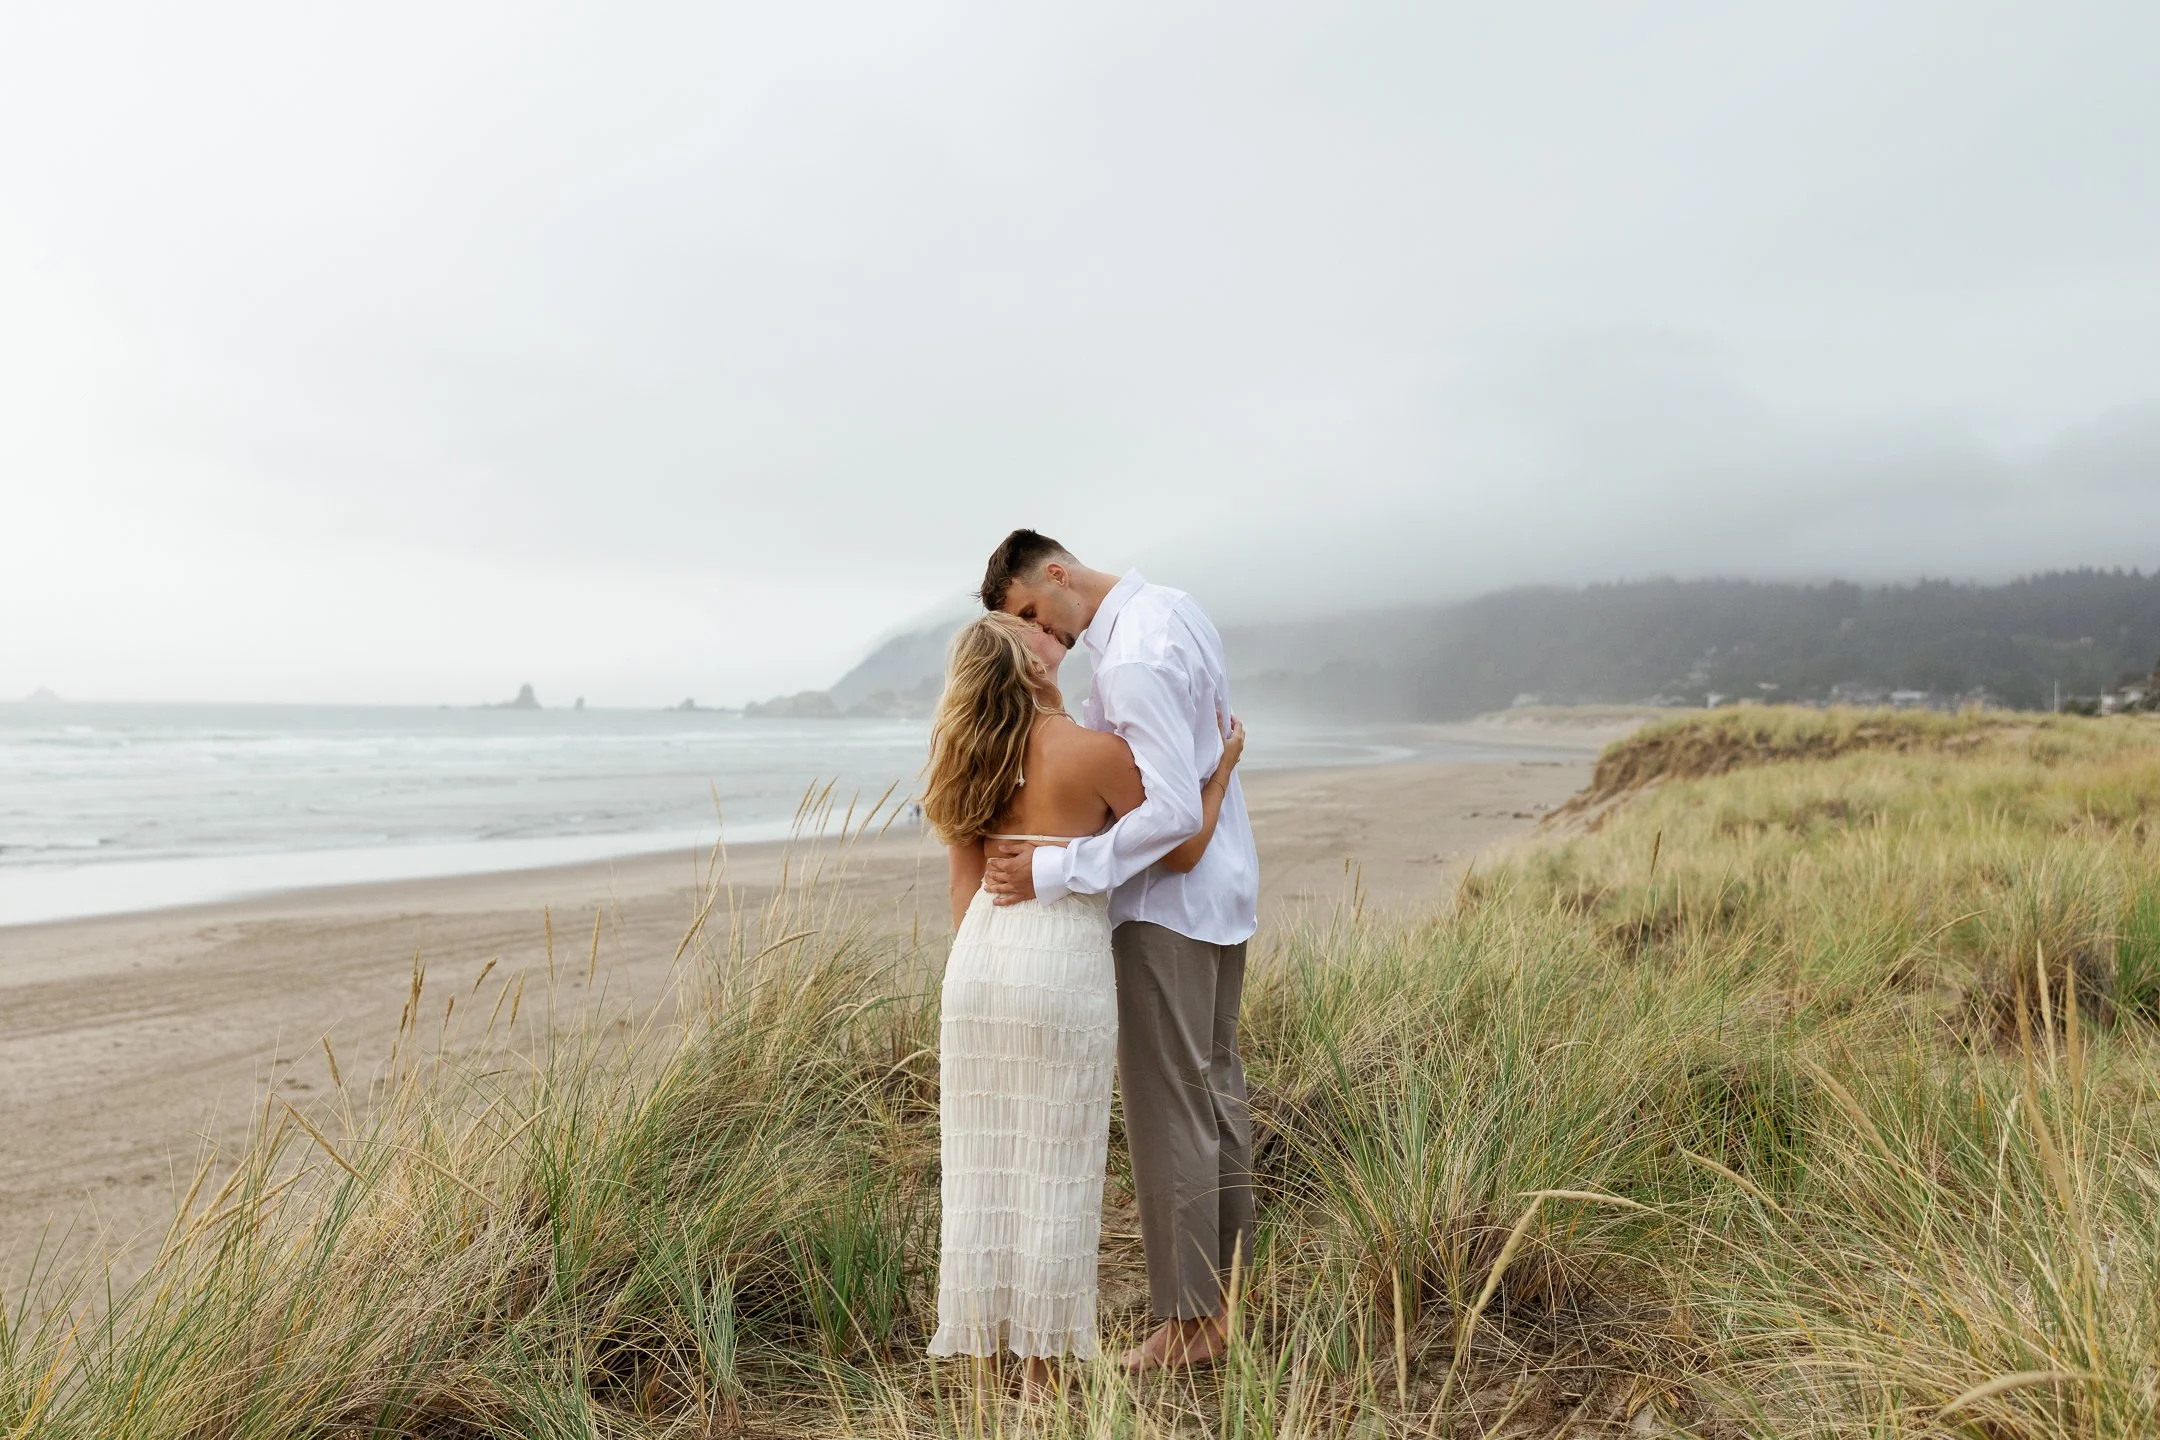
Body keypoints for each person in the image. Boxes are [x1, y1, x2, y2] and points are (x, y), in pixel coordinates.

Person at [922, 608, 1245, 1395]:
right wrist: (1224, 766)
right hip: (1057, 967)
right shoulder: (1096, 754)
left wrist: (987, 966)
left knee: (984, 1163)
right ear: (1031, 669)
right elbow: (1186, 846)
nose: (1053, 640)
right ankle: (1040, 1369)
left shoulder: (963, 757)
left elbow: (964, 893)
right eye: (1038, 637)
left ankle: (988, 1357)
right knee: (1057, 1166)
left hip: (977, 968)